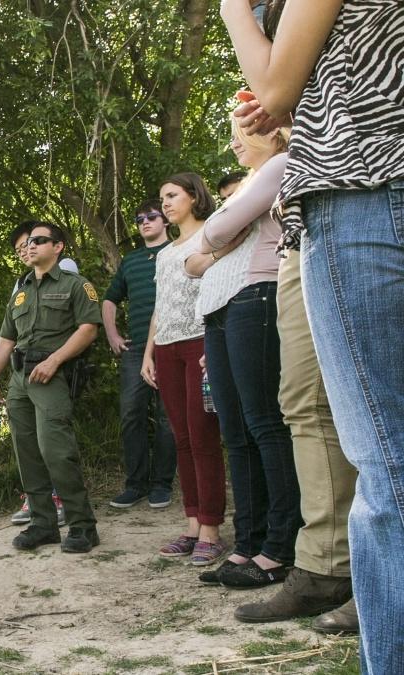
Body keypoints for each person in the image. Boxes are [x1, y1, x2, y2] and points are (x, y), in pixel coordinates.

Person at [223, 0, 404, 665]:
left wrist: (233, 10)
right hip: (374, 180)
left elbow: (274, 85)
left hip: (364, 198)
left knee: (387, 470)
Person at [186, 111, 300, 592]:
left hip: (256, 297)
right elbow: (193, 260)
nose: (234, 145)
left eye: (244, 134)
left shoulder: (279, 165)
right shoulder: (250, 185)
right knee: (234, 429)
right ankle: (245, 543)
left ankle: (279, 547)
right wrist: (219, 238)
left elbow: (215, 231)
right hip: (218, 312)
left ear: (273, 131)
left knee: (263, 422)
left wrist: (218, 234)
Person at [0, 222, 102, 554]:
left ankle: (82, 526)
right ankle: (43, 524)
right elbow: (7, 338)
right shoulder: (20, 291)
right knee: (28, 454)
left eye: (39, 241)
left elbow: (88, 329)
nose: (31, 246)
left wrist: (55, 360)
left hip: (51, 376)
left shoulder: (75, 285)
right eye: (28, 242)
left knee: (57, 451)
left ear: (58, 247)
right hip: (20, 379)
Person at [141, 173, 228, 566]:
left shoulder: (213, 233)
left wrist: (214, 343)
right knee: (181, 438)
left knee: (203, 433)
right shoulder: (163, 253)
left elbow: (224, 286)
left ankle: (212, 529)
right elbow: (161, 306)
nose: (166, 204)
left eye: (172, 196)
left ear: (194, 196)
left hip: (200, 341)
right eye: (163, 199)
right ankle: (192, 525)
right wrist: (149, 354)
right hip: (166, 348)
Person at [102, 201, 176, 510]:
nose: (144, 222)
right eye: (139, 219)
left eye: (151, 217)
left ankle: (162, 484)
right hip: (135, 350)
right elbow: (109, 300)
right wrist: (113, 335)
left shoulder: (178, 251)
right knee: (131, 413)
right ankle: (135, 484)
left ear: (165, 220)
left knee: (168, 416)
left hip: (174, 341)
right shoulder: (131, 261)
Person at [7, 221, 72, 527]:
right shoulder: (22, 285)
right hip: (23, 373)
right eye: (21, 247)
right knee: (29, 443)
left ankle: (68, 505)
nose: (26, 250)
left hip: (54, 369)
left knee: (54, 443)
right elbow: (10, 335)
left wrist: (56, 360)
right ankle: (38, 503)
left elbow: (83, 325)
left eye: (31, 242)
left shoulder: (65, 270)